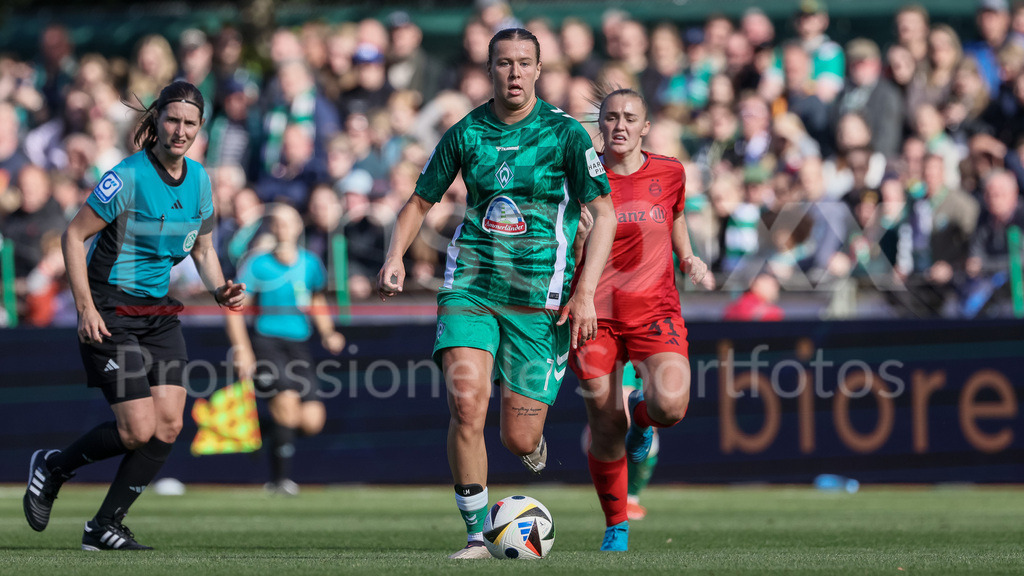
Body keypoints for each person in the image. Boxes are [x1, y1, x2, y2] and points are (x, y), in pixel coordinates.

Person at [376, 28, 616, 559]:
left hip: (540, 299)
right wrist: (395, 256)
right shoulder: (466, 132)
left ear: (539, 70)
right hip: (472, 287)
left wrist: (586, 293)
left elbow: (604, 215)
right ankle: (474, 534)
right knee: (467, 404)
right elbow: (419, 202)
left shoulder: (565, 134)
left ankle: (528, 441)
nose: (514, 72)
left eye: (524, 63)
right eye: (504, 63)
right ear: (489, 70)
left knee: (518, 438)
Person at [23, 81, 245, 550]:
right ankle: (53, 467)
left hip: (157, 314)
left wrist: (220, 288)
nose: (180, 130)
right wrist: (84, 306)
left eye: (190, 123)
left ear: (200, 128)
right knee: (137, 429)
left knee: (169, 425)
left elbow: (204, 250)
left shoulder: (201, 180)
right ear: (157, 120)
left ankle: (104, 526)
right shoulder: (126, 176)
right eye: (173, 120)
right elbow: (72, 236)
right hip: (110, 310)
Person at [568, 89, 713, 552]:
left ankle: (643, 421)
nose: (620, 125)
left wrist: (687, 257)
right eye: (611, 117)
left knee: (670, 406)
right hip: (596, 316)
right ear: (600, 125)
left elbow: (675, 214)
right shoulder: (580, 176)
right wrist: (579, 240)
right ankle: (616, 525)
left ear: (645, 127)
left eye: (630, 118)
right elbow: (561, 248)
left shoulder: (670, 171)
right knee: (605, 424)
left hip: (655, 310)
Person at [224, 203, 346, 496]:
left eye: (288, 222)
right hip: (266, 342)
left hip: (298, 344)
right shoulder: (257, 264)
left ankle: (259, 431)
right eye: (277, 223)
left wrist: (328, 331)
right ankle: (280, 481)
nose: (282, 228)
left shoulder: (310, 263)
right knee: (288, 404)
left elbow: (315, 299)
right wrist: (242, 349)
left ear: (298, 227)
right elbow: (235, 309)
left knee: (312, 421)